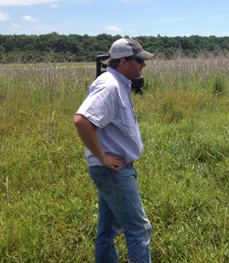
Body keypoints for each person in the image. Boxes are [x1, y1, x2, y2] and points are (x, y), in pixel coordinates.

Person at [73, 37, 154, 263]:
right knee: (139, 230)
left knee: (107, 233)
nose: (143, 65)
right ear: (123, 62)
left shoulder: (119, 84)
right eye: (139, 60)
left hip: (110, 171)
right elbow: (82, 120)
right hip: (114, 171)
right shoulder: (109, 85)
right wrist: (102, 157)